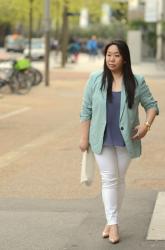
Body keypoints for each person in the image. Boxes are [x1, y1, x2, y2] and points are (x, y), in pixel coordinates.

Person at [79, 40, 159, 244]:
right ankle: (113, 224)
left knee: (119, 179)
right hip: (101, 138)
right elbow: (86, 109)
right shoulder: (95, 79)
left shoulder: (136, 81)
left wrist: (146, 126)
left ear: (124, 58)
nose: (111, 59)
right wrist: (84, 137)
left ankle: (110, 219)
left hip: (127, 139)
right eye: (108, 55)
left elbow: (152, 106)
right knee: (109, 179)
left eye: (116, 55)